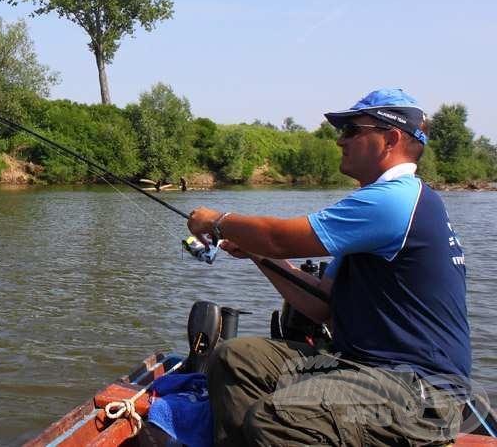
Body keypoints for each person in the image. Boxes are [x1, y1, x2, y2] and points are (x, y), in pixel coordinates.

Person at [186, 88, 471, 445]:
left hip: (418, 393)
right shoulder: (385, 206)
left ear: (391, 138)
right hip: (364, 368)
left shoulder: (395, 200)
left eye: (353, 130)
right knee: (235, 360)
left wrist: (218, 220)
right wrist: (257, 253)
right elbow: (321, 303)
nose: (340, 141)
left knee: (278, 420)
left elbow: (281, 238)